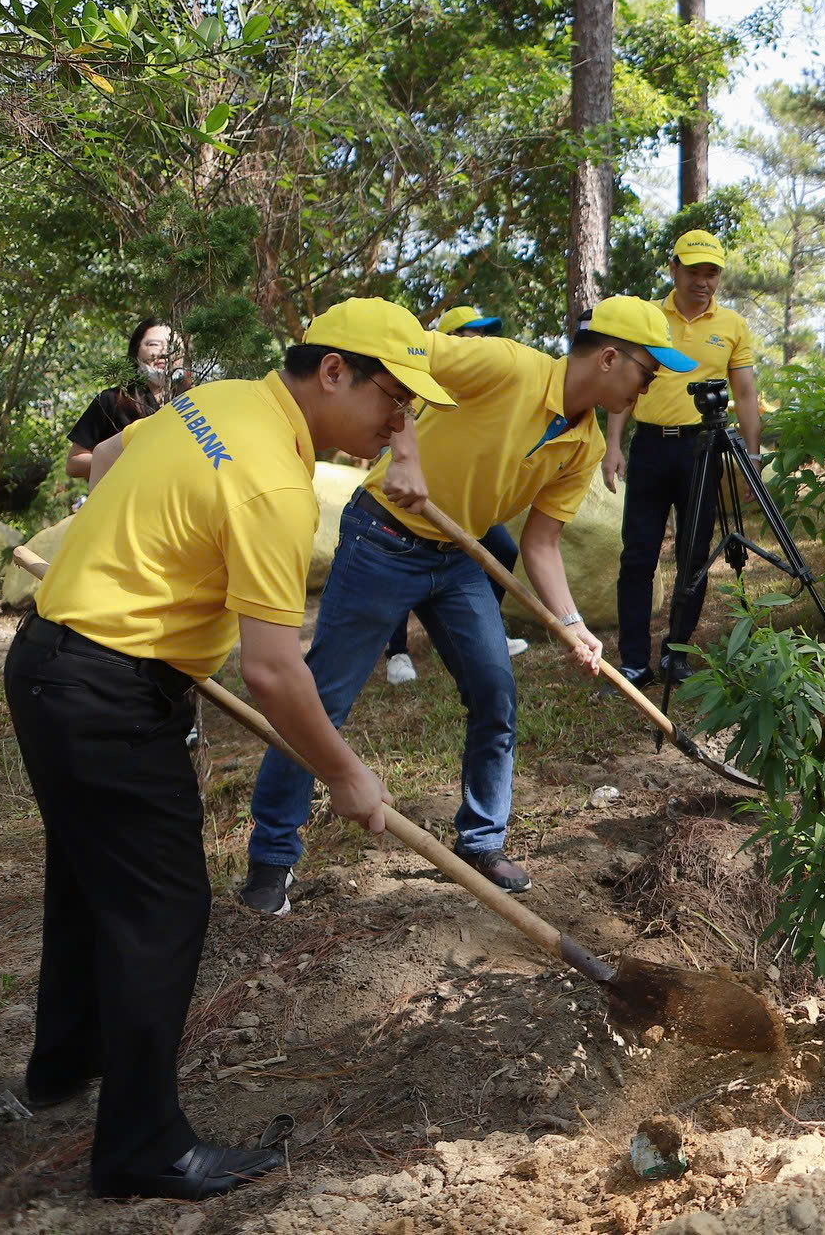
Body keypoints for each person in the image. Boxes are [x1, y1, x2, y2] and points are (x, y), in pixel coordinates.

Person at [6, 302, 450, 1199]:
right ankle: (142, 1146)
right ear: (334, 372)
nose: (399, 423)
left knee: (90, 881)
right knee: (162, 911)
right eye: (393, 400)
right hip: (108, 694)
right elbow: (276, 672)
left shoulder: (214, 406)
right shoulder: (273, 484)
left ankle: (64, 1063)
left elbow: (121, 457)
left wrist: (134, 560)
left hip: (50, 663)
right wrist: (348, 774)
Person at [243, 297, 695, 911]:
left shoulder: (583, 443)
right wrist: (403, 456)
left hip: (458, 560)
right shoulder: (505, 366)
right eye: (648, 371)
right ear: (611, 357)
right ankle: (271, 857)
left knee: (494, 691)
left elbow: (540, 545)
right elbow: (391, 362)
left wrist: (572, 624)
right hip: (383, 535)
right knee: (320, 697)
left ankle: (481, 840)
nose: (650, 387)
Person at [602, 229, 762, 689]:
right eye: (694, 271)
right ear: (674, 269)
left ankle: (677, 654)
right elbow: (625, 387)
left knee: (693, 557)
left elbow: (746, 394)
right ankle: (633, 661)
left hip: (704, 451)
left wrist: (752, 456)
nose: (703, 281)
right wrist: (614, 444)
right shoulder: (649, 317)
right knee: (637, 556)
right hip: (650, 446)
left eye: (711, 273)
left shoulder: (733, 325)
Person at [384, 307, 526, 686]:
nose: (479, 342)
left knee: (504, 552)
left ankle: (487, 633)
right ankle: (396, 652)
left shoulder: (490, 387)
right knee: (401, 571)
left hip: (463, 502)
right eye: (469, 334)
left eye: (483, 334)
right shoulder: (427, 383)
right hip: (415, 499)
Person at [67, 319, 186, 481]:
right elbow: (74, 463)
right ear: (135, 352)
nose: (165, 351)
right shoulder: (112, 400)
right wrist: (126, 461)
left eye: (173, 345)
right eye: (154, 344)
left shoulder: (193, 401)